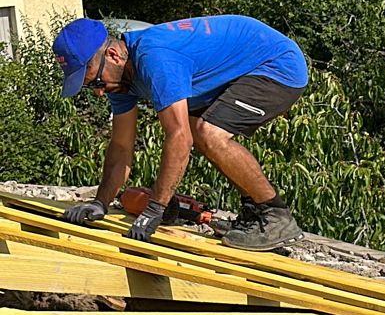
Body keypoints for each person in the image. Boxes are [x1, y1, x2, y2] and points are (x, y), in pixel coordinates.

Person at [52, 14, 309, 251]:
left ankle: (276, 216)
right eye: (91, 88)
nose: (99, 92)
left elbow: (179, 138)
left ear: (113, 55)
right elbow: (121, 147)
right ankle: (254, 212)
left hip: (276, 65)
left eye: (97, 83)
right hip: (237, 69)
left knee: (207, 133)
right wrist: (100, 203)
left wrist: (155, 209)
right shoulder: (121, 82)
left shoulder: (154, 58)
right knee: (200, 131)